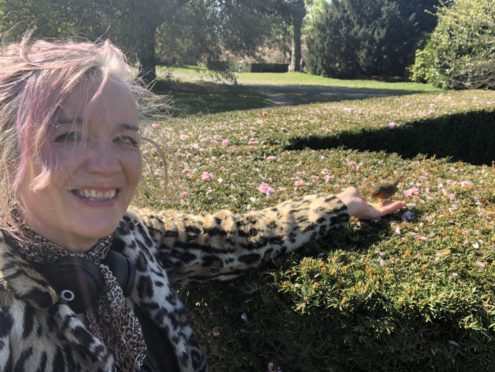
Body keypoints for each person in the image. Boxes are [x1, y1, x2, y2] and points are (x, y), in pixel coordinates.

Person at [0, 36, 405, 372]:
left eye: (125, 139)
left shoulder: (130, 237)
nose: (108, 165)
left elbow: (233, 239)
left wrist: (339, 205)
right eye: (69, 135)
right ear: (9, 152)